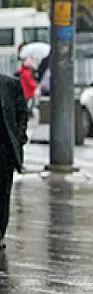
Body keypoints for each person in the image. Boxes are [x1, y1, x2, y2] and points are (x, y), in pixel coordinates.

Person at [0, 74, 29, 251]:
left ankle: (0, 232)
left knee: (3, 193)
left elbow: (22, 113)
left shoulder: (10, 84)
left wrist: (18, 139)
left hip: (5, 149)